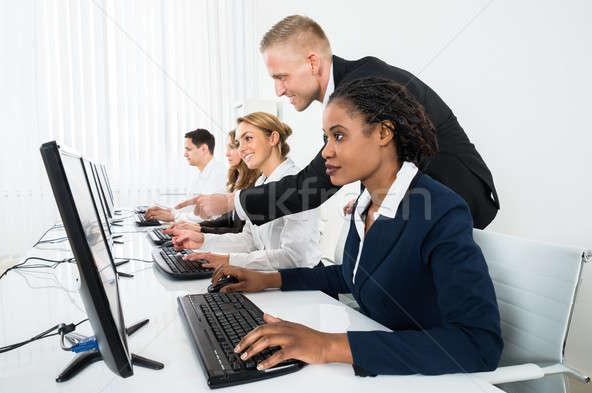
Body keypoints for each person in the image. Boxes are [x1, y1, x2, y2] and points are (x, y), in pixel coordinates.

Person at [209, 78, 503, 376]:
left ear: (383, 133)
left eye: (338, 136)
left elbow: (479, 344)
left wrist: (328, 346)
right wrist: (268, 280)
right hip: (377, 356)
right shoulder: (367, 200)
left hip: (424, 381)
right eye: (326, 138)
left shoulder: (440, 209)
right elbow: (351, 274)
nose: (325, 152)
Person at [188, 15, 499, 230]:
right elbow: (383, 157)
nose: (278, 91)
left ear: (312, 63)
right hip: (430, 201)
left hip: (459, 197)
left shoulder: (362, 86)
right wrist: (373, 198)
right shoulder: (350, 87)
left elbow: (313, 185)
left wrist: (231, 201)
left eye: (281, 77)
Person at [165, 112, 322, 271]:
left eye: (248, 138)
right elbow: (249, 240)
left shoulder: (296, 183)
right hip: (274, 276)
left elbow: (294, 258)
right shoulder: (261, 181)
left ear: (273, 139)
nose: (241, 149)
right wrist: (203, 240)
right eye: (238, 143)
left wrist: (227, 260)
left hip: (307, 285)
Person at [169, 130, 260, 234]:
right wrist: (196, 227)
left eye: (232, 147)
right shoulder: (237, 179)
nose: (226, 154)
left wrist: (198, 229)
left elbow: (238, 230)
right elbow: (227, 220)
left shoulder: (253, 184)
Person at [145, 129, 226, 223]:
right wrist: (165, 211)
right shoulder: (199, 176)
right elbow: (187, 208)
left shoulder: (220, 174)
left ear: (204, 148)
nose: (185, 154)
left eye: (189, 149)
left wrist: (173, 216)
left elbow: (209, 215)